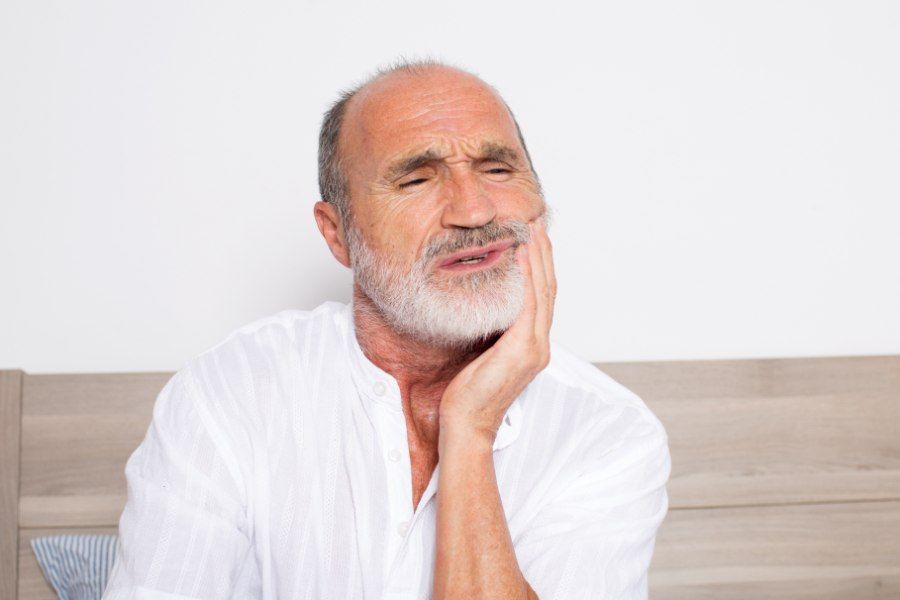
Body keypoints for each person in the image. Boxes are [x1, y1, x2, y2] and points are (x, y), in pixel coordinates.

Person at [103, 57, 671, 599]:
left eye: (497, 169)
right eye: (416, 181)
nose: (473, 212)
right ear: (337, 234)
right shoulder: (228, 395)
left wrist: (470, 429)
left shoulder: (609, 433)